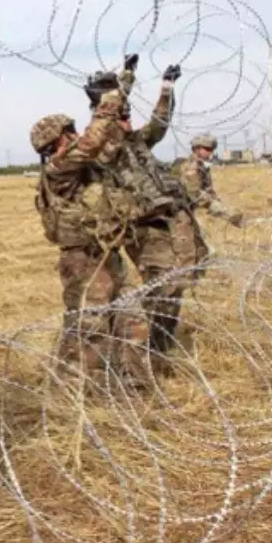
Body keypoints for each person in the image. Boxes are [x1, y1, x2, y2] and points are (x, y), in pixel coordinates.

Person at [30, 96, 152, 390]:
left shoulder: (87, 168)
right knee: (89, 330)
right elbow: (93, 141)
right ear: (58, 141)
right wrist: (109, 99)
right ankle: (80, 394)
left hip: (107, 255)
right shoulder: (59, 169)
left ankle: (134, 387)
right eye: (70, 131)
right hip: (83, 262)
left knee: (133, 321)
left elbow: (112, 140)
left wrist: (123, 89)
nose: (76, 135)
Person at [98, 56, 194, 372]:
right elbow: (108, 111)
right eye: (121, 117)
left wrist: (166, 88)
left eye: (128, 117)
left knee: (171, 288)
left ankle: (159, 351)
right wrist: (125, 78)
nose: (127, 121)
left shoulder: (138, 141)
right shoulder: (105, 149)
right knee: (161, 289)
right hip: (141, 228)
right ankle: (147, 354)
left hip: (165, 224)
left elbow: (159, 122)